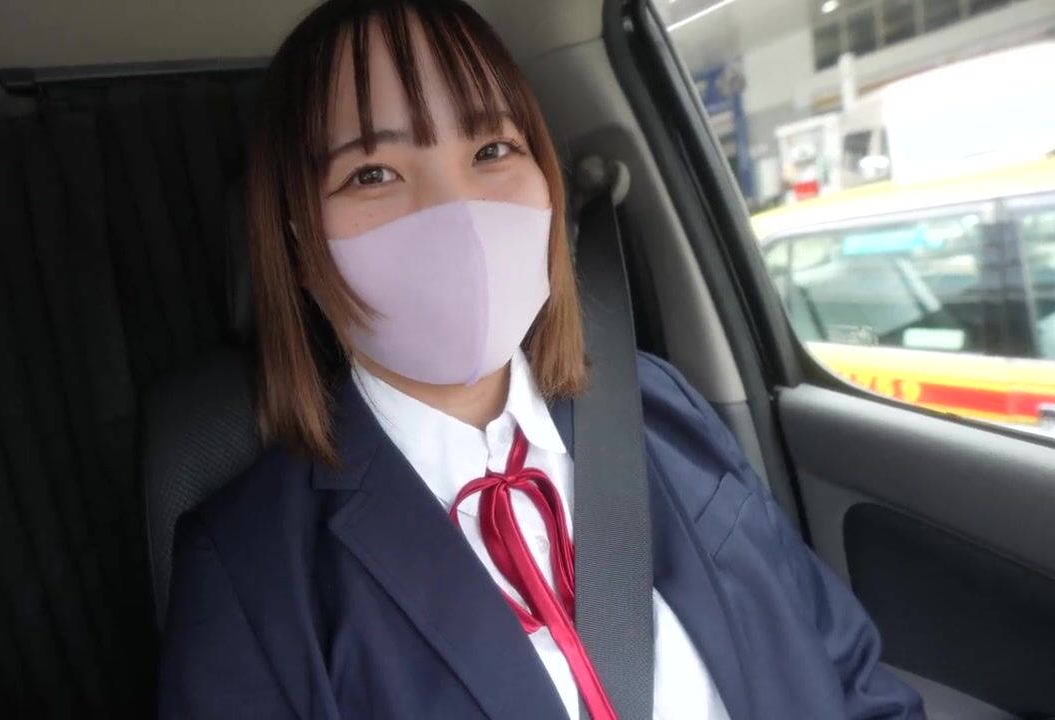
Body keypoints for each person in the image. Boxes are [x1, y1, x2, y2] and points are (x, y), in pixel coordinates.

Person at [158, 1, 925, 718]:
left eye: (492, 149)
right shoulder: (249, 571)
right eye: (374, 173)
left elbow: (851, 677)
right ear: (297, 240)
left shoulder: (659, 408)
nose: (455, 212)